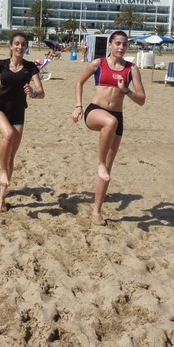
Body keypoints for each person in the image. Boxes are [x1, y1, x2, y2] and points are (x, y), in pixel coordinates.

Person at [72, 30, 146, 225]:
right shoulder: (98, 63)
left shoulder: (131, 69)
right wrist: (78, 105)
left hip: (117, 116)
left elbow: (141, 100)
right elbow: (79, 82)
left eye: (125, 44)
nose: (121, 47)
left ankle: (96, 212)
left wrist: (126, 90)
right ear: (110, 45)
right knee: (109, 123)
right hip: (95, 112)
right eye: (118, 43)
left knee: (107, 171)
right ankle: (100, 162)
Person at [0, 33, 45, 212]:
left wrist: (33, 93)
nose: (20, 47)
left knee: (11, 157)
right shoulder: (1, 64)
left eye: (23, 44)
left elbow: (41, 93)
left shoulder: (30, 68)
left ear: (26, 47)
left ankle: (2, 198)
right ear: (11, 46)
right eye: (17, 43)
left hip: (18, 114)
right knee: (8, 134)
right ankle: (3, 172)